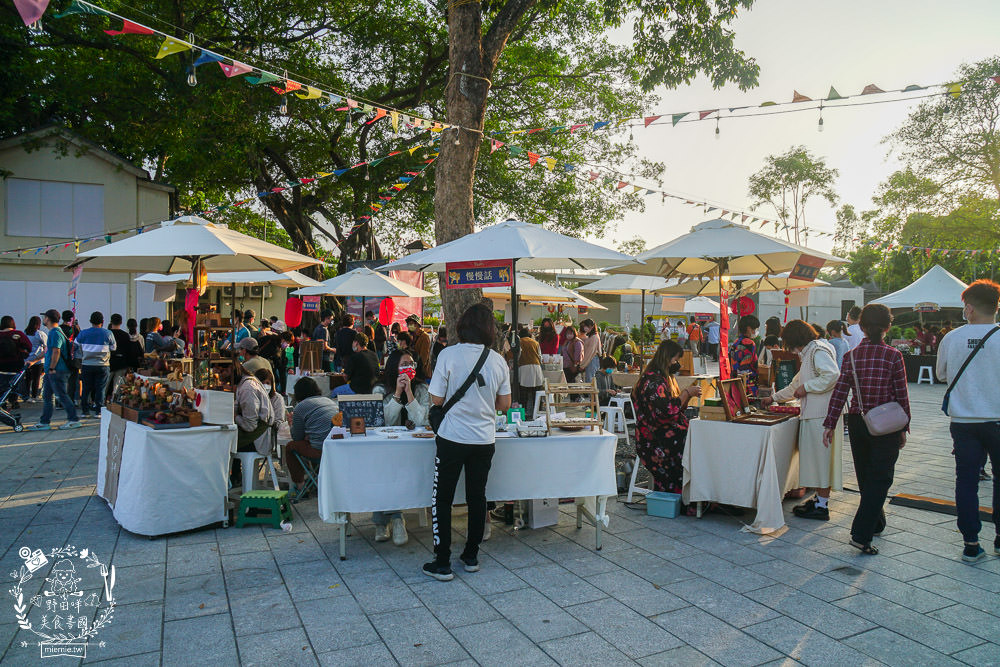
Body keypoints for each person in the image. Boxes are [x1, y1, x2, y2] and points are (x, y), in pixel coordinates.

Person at [425, 303, 511, 581]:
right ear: (489, 330)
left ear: (462, 325)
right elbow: (504, 404)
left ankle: (442, 561)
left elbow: (436, 400)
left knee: (443, 498)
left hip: (451, 438)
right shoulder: (498, 360)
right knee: (478, 497)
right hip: (484, 439)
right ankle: (471, 555)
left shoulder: (449, 354)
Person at [823, 304, 909, 555]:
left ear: (860, 327)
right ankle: (861, 534)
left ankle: (877, 522)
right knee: (881, 479)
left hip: (858, 422)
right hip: (887, 424)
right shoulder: (894, 356)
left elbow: (840, 391)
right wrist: (905, 427)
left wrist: (830, 423)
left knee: (866, 476)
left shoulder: (851, 357)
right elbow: (902, 395)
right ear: (887, 327)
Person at [935, 279, 1000, 562]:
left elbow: (940, 375)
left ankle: (971, 543)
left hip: (963, 421)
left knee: (966, 480)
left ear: (970, 308)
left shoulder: (952, 338)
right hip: (997, 420)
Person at [763, 320, 842, 521]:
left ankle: (822, 505)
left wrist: (807, 388)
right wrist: (773, 398)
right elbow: (795, 384)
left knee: (820, 461)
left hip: (820, 415)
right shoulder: (812, 351)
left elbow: (832, 375)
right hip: (817, 413)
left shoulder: (816, 351)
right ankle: (819, 500)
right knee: (818, 461)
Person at [370, 350, 430, 546]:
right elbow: (383, 421)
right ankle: (392, 519)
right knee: (383, 467)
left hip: (414, 447)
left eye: (412, 364)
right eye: (404, 364)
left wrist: (409, 393)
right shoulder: (380, 389)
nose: (409, 368)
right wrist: (397, 394)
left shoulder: (421, 388)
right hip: (386, 447)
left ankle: (392, 519)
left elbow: (423, 419)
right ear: (394, 366)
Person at [632, 340, 702, 498]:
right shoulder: (653, 381)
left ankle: (696, 491)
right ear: (667, 358)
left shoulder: (662, 378)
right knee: (689, 440)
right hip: (652, 438)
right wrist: (686, 394)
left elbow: (674, 409)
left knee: (695, 435)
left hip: (661, 430)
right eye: (675, 360)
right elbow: (667, 412)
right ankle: (685, 494)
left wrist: (686, 397)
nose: (676, 363)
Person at [285, 377, 339, 497]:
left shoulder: (300, 407)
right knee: (311, 442)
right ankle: (318, 481)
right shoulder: (328, 401)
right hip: (335, 447)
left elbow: (296, 437)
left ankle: (300, 486)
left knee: (290, 447)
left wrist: (291, 423)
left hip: (319, 450)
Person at [31, 309, 80, 430]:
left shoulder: (55, 333)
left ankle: (74, 419)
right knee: (47, 397)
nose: (43, 319)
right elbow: (47, 351)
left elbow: (56, 351)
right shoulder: (54, 332)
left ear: (48, 319)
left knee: (62, 395)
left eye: (44, 317)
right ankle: (44, 422)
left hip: (57, 370)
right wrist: (32, 361)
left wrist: (52, 367)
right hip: (51, 371)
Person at [232, 365, 274, 486]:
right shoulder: (244, 386)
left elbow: (250, 426)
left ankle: (233, 483)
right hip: (254, 433)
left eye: (222, 370)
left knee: (223, 444)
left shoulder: (248, 388)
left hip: (257, 439)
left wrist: (235, 417)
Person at [75, 311, 116, 419]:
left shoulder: (83, 333)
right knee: (100, 389)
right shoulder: (108, 333)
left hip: (87, 364)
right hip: (103, 365)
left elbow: (76, 345)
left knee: (86, 389)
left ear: (90, 321)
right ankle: (98, 411)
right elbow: (113, 347)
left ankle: (85, 411)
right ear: (102, 321)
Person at [252, 367, 286, 458]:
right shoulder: (251, 396)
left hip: (266, 436)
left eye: (267, 383)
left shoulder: (277, 399)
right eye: (262, 383)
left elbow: (279, 421)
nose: (265, 386)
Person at [333, 332, 379, 396]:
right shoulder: (374, 355)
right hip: (372, 388)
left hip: (357, 389)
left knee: (335, 392)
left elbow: (345, 376)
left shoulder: (354, 357)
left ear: (356, 343)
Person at [0, 316, 32, 409]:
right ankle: (13, 401)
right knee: (15, 382)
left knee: (2, 382)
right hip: (16, 363)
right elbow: (29, 347)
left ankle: (2, 401)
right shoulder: (18, 334)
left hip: (1, 365)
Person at [515, 326, 544, 415]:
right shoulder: (535, 342)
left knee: (524, 392)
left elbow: (518, 355)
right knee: (536, 392)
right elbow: (540, 356)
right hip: (536, 367)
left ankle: (523, 412)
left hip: (524, 367)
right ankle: (537, 412)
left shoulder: (519, 342)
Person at [729, 315, 760, 397]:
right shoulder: (749, 343)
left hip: (734, 381)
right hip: (747, 384)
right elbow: (745, 367)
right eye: (755, 328)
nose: (756, 331)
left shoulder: (736, 342)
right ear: (749, 328)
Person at [107, 314, 132, 397]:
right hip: (121, 363)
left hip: (109, 362)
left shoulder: (108, 334)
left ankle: (101, 403)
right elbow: (128, 351)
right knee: (117, 386)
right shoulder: (125, 335)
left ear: (111, 322)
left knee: (105, 385)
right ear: (121, 322)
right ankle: (115, 403)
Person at [23, 316, 47, 403]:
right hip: (37, 359)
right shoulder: (40, 334)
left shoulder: (25, 332)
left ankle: (26, 396)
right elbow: (46, 347)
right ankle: (34, 396)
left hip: (27, 359)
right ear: (38, 324)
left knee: (28, 378)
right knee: (36, 378)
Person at [60, 310, 80, 408]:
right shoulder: (74, 329)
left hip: (60, 358)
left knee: (61, 382)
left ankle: (59, 402)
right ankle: (71, 401)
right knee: (72, 382)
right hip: (72, 359)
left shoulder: (58, 329)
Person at [407, 315, 432, 380]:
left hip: (422, 373)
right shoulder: (411, 336)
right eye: (408, 324)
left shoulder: (424, 337)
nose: (409, 326)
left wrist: (418, 370)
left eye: (411, 324)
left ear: (417, 324)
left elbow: (424, 357)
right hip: (412, 371)